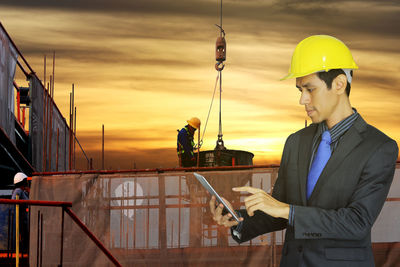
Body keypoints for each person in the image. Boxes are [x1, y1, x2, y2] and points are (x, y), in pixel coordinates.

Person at [209, 35, 398, 266]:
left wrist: (287, 211)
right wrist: (237, 219)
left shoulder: (379, 148)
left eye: (310, 89)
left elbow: (356, 223)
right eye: (300, 89)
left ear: (339, 84)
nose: (302, 100)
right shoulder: (296, 142)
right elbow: (279, 209)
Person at [12, 172, 30, 251]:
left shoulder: (22, 192)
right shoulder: (18, 191)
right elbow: (14, 201)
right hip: (21, 219)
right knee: (23, 236)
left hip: (23, 219)